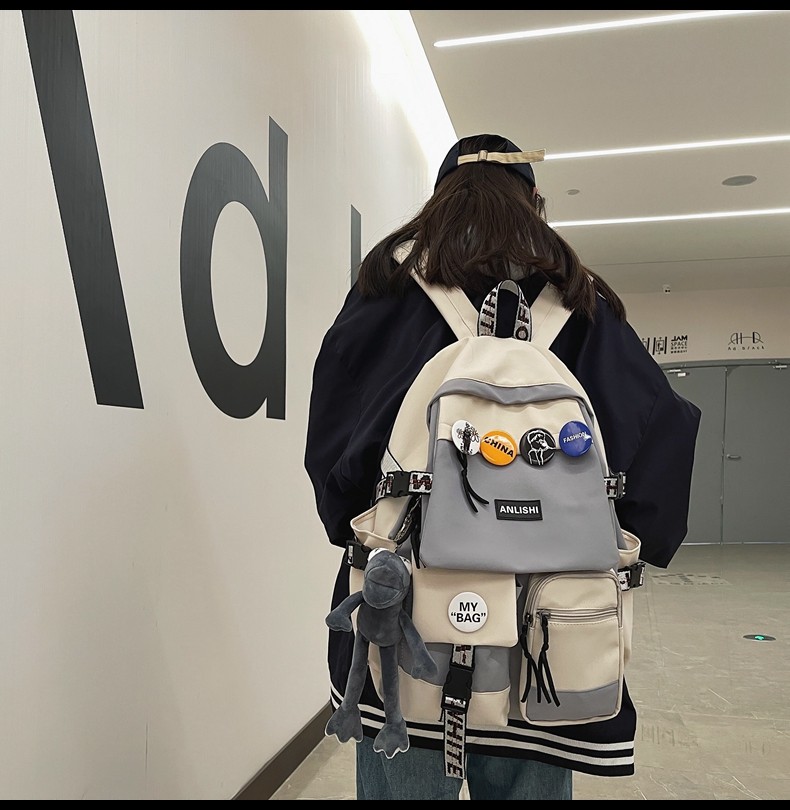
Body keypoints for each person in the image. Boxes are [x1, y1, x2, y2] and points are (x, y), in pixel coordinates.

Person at [304, 133, 701, 800]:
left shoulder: (384, 295)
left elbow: (332, 455)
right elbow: (665, 437)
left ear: (438, 200)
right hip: (548, 635)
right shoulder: (582, 306)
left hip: (407, 621)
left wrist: (363, 522)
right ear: (535, 201)